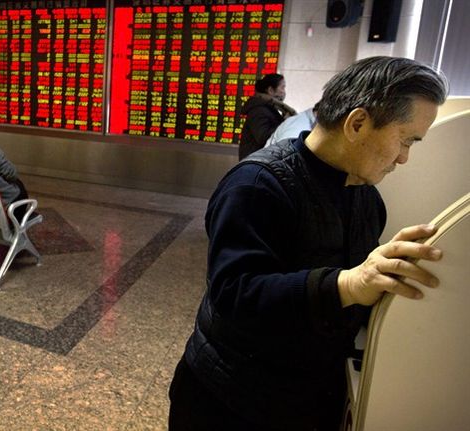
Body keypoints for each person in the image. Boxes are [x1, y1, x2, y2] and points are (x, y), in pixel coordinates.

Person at [169, 56, 448, 431]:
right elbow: (236, 293)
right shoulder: (257, 184)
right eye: (405, 139)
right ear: (358, 123)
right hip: (231, 401)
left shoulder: (366, 195)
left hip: (306, 397)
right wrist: (347, 284)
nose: (404, 157)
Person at [238, 73, 296, 160]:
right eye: (282, 87)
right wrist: (284, 123)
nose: (284, 92)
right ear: (271, 90)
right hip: (254, 163)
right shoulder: (258, 110)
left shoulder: (268, 108)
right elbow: (263, 137)